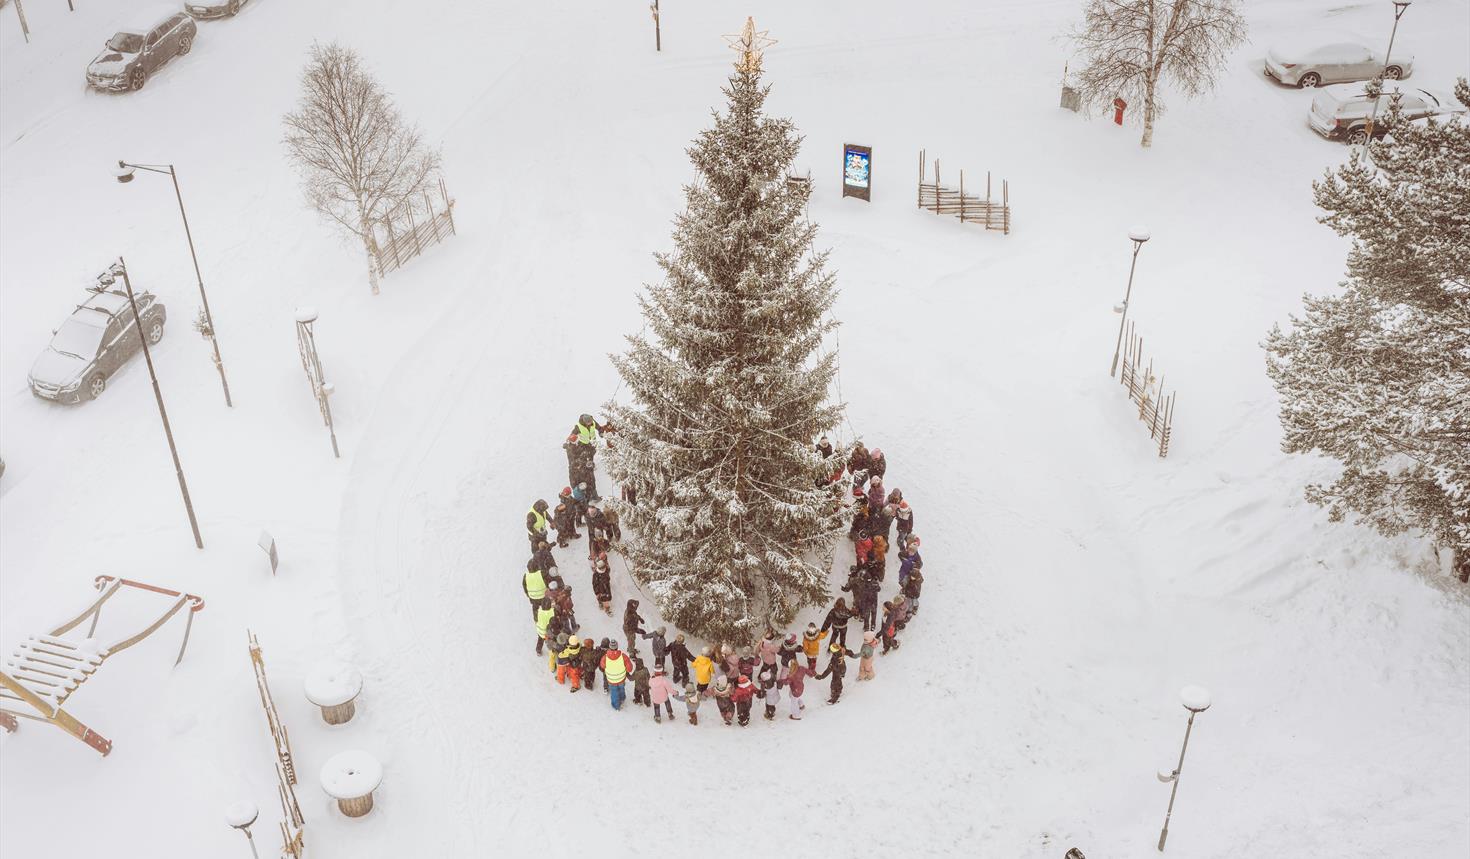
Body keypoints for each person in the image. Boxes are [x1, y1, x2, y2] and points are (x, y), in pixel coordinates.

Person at [601, 640, 633, 710]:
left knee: (614, 692)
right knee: (621, 688)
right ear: (617, 647)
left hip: (611, 680)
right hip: (621, 678)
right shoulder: (623, 656)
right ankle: (622, 698)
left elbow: (602, 666)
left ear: (609, 647)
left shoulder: (605, 657)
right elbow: (629, 669)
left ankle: (616, 705)